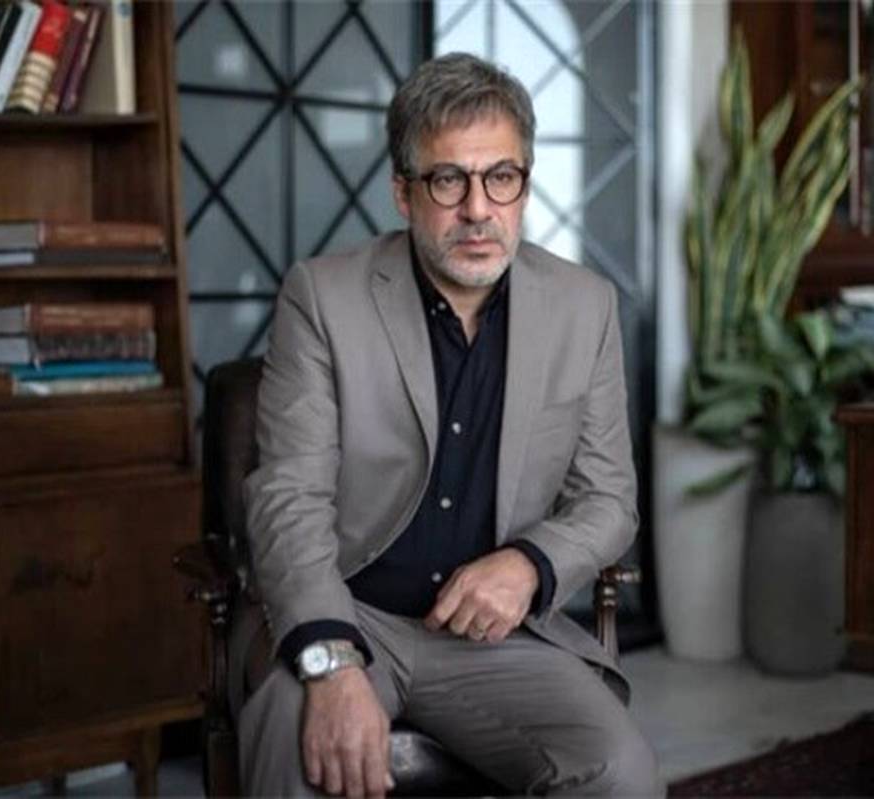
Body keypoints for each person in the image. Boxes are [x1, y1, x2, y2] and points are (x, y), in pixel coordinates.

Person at [239, 52, 661, 798]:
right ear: (403, 192)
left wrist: (529, 564)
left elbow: (608, 500)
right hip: (351, 614)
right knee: (301, 753)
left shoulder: (583, 306)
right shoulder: (323, 298)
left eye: (502, 177)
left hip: (497, 640)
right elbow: (288, 498)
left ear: (524, 181)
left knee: (620, 772)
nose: (477, 209)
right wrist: (331, 659)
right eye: (447, 180)